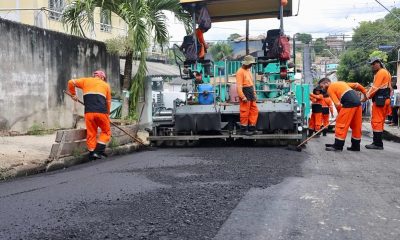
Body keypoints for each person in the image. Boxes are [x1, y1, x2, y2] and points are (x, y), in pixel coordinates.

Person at [68, 70, 112, 160]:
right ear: (102, 77)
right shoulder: (106, 85)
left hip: (88, 113)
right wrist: (107, 113)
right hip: (101, 112)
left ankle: (92, 154)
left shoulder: (85, 81)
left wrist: (73, 94)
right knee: (106, 132)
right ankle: (98, 151)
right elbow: (108, 102)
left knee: (91, 133)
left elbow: (71, 82)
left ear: (94, 76)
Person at [319, 78, 367, 151]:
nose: (322, 89)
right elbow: (357, 85)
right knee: (356, 125)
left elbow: (337, 104)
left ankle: (338, 146)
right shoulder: (342, 83)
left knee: (340, 124)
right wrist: (365, 94)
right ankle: (355, 146)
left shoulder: (330, 88)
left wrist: (340, 115)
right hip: (357, 103)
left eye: (322, 86)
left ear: (327, 83)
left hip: (349, 103)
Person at [364, 57, 392, 150]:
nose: (372, 66)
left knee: (376, 121)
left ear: (378, 63)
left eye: (373, 64)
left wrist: (366, 97)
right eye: (371, 64)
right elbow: (390, 88)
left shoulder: (380, 73)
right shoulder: (386, 72)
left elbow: (375, 88)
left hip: (380, 100)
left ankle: (378, 144)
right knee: (380, 121)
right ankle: (377, 142)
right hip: (385, 99)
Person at [236, 55, 259, 135]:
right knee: (245, 111)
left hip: (250, 91)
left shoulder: (248, 71)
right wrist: (242, 96)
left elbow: (251, 83)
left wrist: (254, 94)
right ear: (246, 63)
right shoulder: (240, 72)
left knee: (254, 110)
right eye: (250, 63)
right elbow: (239, 86)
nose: (251, 65)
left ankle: (252, 128)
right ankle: (243, 130)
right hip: (245, 92)